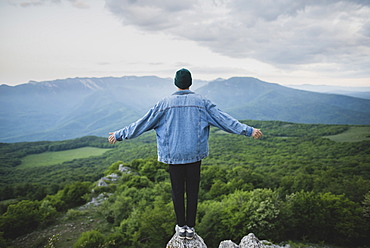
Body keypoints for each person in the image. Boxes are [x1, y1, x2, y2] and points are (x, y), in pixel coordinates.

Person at [108, 68, 263, 240]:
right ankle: (191, 228)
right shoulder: (201, 102)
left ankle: (181, 226)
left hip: (173, 155)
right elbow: (225, 120)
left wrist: (119, 135)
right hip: (194, 154)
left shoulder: (164, 104)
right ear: (190, 82)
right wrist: (248, 130)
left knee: (177, 191)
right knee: (192, 191)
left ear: (176, 83)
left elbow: (142, 123)